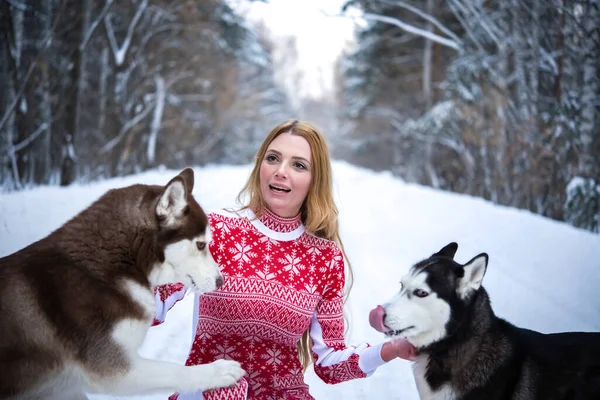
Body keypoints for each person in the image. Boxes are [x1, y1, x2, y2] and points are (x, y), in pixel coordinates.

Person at [153, 120, 416, 400]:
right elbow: (154, 302)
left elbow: (330, 362)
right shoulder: (216, 229)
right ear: (260, 166)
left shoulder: (325, 258)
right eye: (273, 158)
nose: (280, 172)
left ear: (315, 181)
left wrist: (390, 350)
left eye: (298, 165)